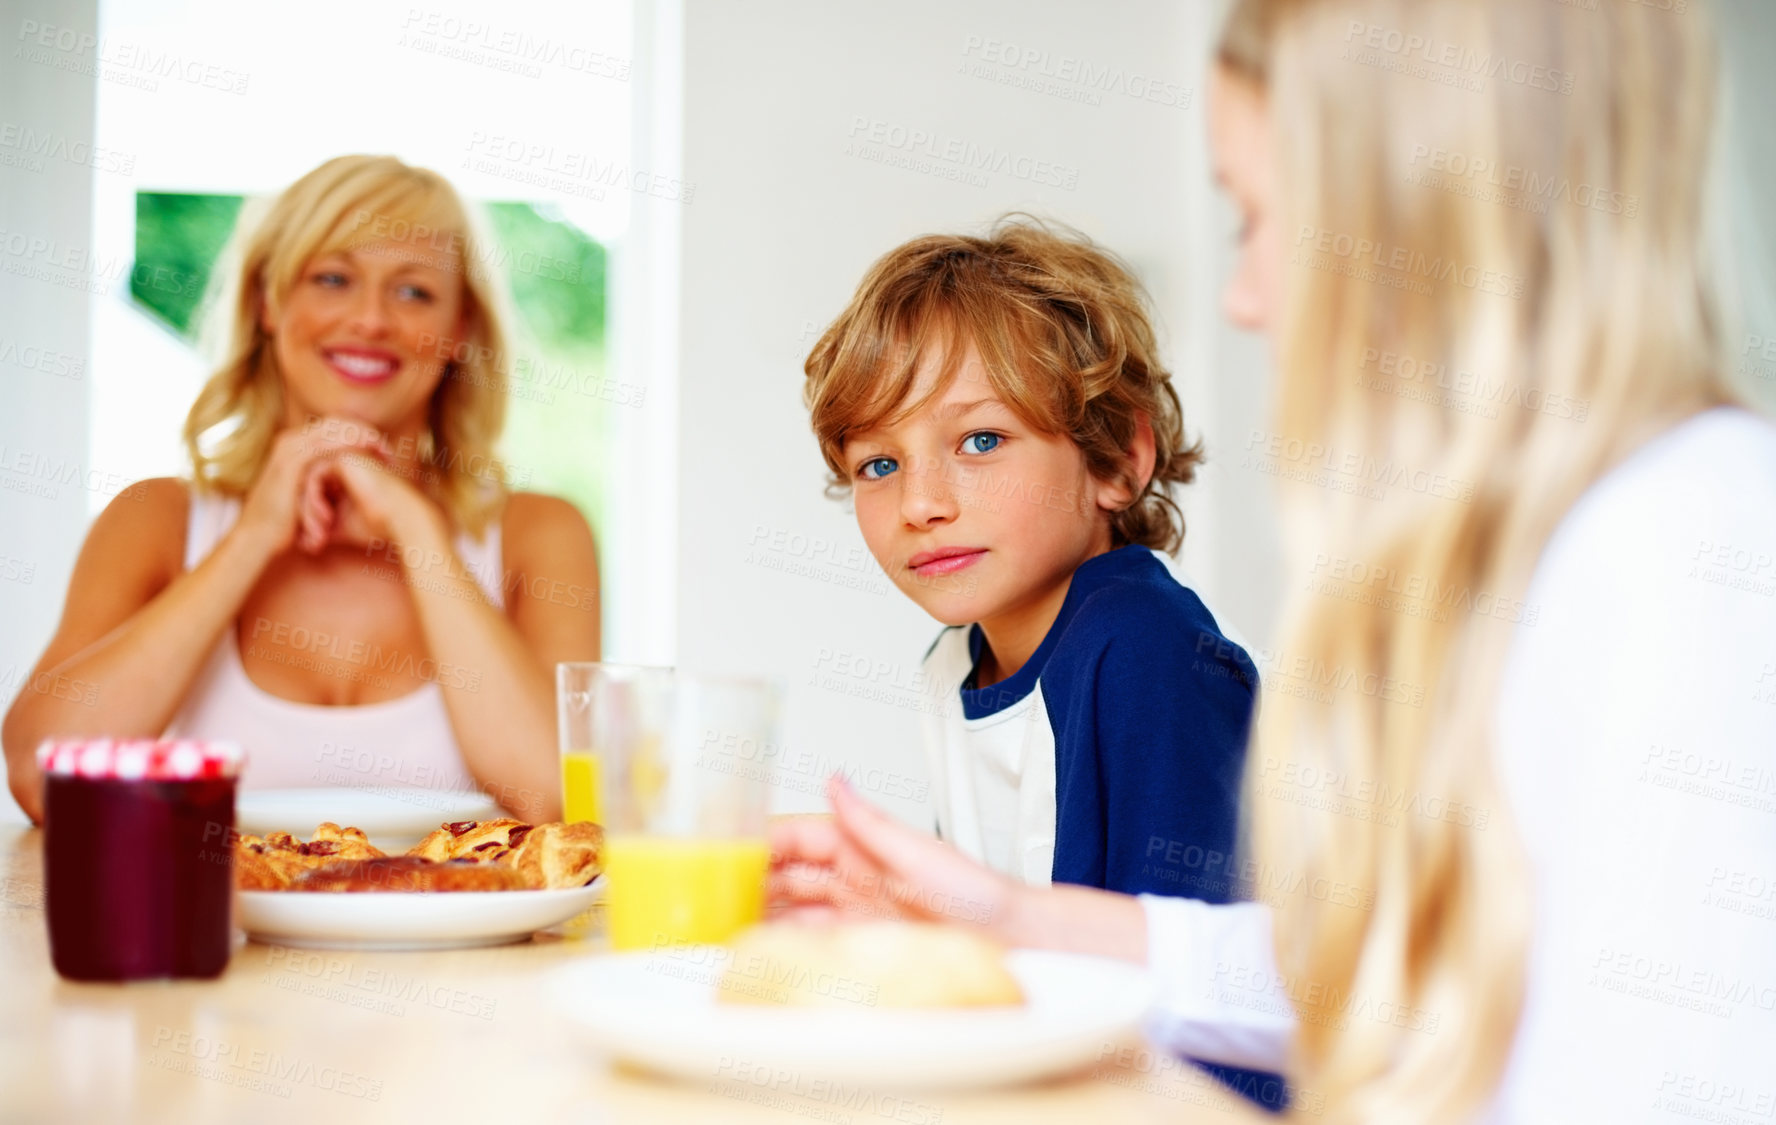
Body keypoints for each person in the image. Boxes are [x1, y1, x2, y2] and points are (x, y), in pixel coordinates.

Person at [772, 0, 1776, 1120]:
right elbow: (1391, 985)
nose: (1243, 300)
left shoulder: (1684, 542)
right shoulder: (1523, 556)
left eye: (1258, 218)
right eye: (877, 465)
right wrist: (994, 917)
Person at [3, 155, 599, 824]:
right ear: (269, 301)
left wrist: (418, 530)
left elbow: (557, 799)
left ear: (459, 330)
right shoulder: (156, 518)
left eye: (414, 292)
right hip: (216, 933)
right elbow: (41, 774)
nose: (370, 319)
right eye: (333, 278)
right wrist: (252, 538)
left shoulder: (540, 535)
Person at [801, 221, 1259, 898]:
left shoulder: (1145, 649)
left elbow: (1172, 973)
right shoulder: (951, 662)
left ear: (1117, 460)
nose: (919, 503)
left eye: (981, 440)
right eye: (879, 463)